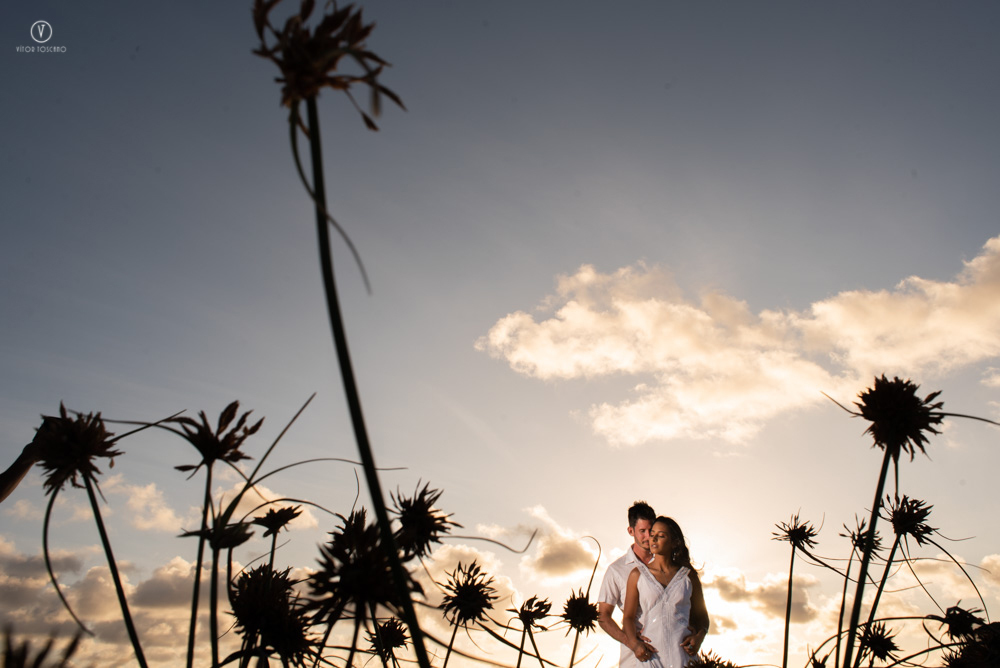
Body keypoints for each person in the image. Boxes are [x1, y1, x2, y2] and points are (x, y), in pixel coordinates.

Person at [621, 516, 709, 668]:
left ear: (674, 543)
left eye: (661, 535)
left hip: (683, 656)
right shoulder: (637, 575)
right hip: (650, 656)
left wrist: (699, 638)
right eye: (652, 534)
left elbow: (703, 618)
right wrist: (635, 645)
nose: (653, 539)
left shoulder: (688, 576)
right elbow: (628, 617)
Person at [597, 501, 658, 665]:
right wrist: (632, 643)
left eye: (651, 530)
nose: (648, 536)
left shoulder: (667, 566)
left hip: (669, 652)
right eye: (642, 531)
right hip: (635, 657)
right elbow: (603, 616)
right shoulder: (616, 570)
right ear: (631, 531)